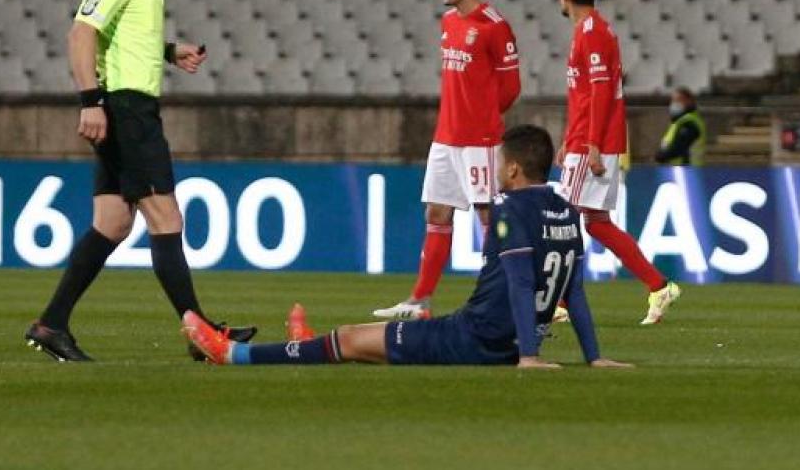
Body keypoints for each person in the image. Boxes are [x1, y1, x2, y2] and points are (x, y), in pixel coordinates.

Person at [24, 0, 254, 362]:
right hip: (126, 109)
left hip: (127, 104)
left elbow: (118, 34)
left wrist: (169, 51)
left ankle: (51, 323)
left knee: (111, 224)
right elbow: (81, 32)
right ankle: (201, 334)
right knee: (166, 218)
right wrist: (90, 100)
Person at [184, 125, 631, 369]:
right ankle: (306, 347)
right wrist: (594, 357)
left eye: (498, 165)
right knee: (358, 344)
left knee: (348, 339)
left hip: (470, 340)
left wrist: (530, 358)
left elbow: (517, 283)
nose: (493, 172)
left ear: (512, 170)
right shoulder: (566, 210)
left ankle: (234, 354)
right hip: (503, 343)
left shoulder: (509, 209)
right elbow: (572, 291)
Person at [373, 0, 521, 320]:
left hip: (479, 140)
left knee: (488, 215)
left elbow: (511, 87)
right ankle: (419, 300)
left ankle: (499, 296)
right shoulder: (449, 21)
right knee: (436, 212)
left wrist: (483, 118)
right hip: (446, 137)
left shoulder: (494, 26)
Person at [556, 0, 681, 325]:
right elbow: (582, 95)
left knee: (562, 220)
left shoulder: (592, 33)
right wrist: (569, 138)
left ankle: (561, 302)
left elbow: (599, 93)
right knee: (595, 222)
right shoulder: (590, 31)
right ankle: (659, 286)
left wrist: (590, 143)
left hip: (594, 143)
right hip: (586, 140)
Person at [653, 87, 707, 166]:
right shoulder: (679, 121)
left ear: (689, 101)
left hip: (687, 169)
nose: (674, 104)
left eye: (678, 100)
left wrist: (660, 156)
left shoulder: (689, 122)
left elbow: (679, 147)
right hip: (679, 170)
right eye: (673, 100)